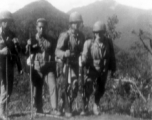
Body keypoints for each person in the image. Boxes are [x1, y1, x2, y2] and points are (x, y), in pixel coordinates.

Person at [26, 18, 60, 115]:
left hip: (49, 67)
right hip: (37, 67)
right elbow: (26, 53)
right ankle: (38, 108)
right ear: (36, 28)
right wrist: (28, 46)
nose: (42, 29)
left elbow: (55, 53)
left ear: (46, 28)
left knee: (53, 86)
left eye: (44, 27)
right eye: (40, 27)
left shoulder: (52, 40)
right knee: (37, 88)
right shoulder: (32, 39)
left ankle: (55, 108)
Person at [81, 21, 116, 115]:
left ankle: (96, 105)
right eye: (97, 32)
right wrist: (83, 62)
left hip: (104, 69)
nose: (99, 34)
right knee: (88, 86)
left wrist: (113, 69)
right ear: (94, 33)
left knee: (100, 89)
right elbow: (84, 54)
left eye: (101, 32)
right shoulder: (88, 43)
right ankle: (85, 105)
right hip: (92, 69)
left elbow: (112, 56)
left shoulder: (108, 42)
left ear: (104, 32)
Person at [55, 12, 85, 117]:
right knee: (63, 86)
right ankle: (64, 108)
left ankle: (67, 104)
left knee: (75, 85)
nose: (77, 25)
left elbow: (82, 50)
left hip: (75, 64)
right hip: (64, 64)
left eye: (78, 23)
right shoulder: (65, 35)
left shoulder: (81, 36)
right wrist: (64, 53)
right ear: (71, 24)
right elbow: (57, 51)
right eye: (74, 23)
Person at [0, 11, 23, 120]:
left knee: (9, 89)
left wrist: (20, 67)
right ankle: (2, 113)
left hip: (10, 64)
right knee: (4, 89)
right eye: (4, 21)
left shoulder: (12, 35)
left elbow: (17, 52)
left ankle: (4, 111)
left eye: (8, 21)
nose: (6, 23)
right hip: (0, 66)